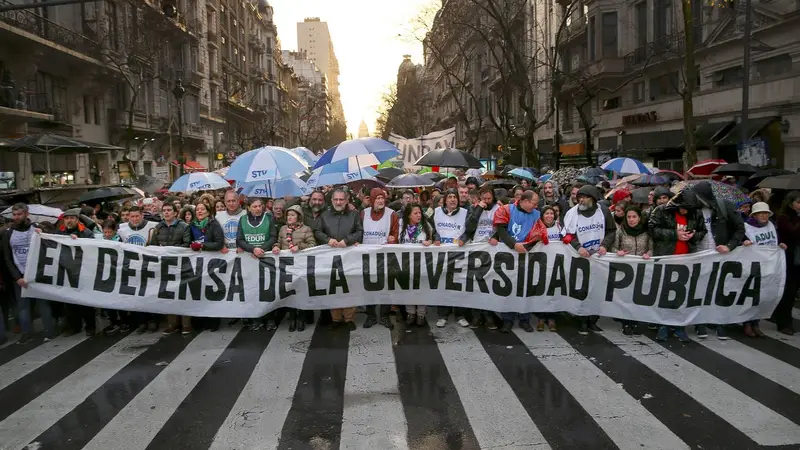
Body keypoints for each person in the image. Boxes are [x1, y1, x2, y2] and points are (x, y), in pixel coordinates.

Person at [648, 189, 708, 342]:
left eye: (688, 209)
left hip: (686, 259)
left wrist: (693, 236)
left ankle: (679, 326)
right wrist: (675, 234)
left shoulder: (696, 213)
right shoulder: (661, 211)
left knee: (682, 294)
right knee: (664, 293)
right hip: (666, 257)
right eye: (683, 208)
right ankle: (663, 325)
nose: (685, 211)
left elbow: (702, 231)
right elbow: (653, 230)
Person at [690, 181, 746, 339]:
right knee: (699, 290)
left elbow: (740, 228)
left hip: (720, 256)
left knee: (719, 290)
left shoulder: (724, 206)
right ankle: (700, 323)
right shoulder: (693, 210)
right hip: (699, 254)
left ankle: (719, 322)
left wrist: (729, 246)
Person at [562, 185, 616, 334]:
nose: (581, 200)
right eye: (580, 197)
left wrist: (605, 245)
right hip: (581, 257)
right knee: (582, 289)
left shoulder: (603, 212)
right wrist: (578, 247)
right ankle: (582, 320)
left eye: (585, 197)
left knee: (597, 291)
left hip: (598, 257)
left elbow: (611, 231)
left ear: (592, 199)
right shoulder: (572, 213)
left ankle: (593, 320)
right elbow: (567, 234)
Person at [493, 190, 549, 333]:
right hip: (509, 255)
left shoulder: (537, 215)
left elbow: (540, 234)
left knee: (526, 288)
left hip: (527, 256)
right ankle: (508, 319)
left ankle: (525, 319)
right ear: (524, 201)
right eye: (534, 203)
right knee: (508, 288)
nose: (536, 206)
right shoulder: (506, 210)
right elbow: (501, 231)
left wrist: (527, 246)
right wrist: (514, 245)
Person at [1, 203, 55, 344]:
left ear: (26, 214)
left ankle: (49, 331)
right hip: (20, 276)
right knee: (23, 307)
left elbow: (49, 247)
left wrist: (42, 234)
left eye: (19, 214)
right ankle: (26, 333)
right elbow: (7, 257)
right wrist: (17, 277)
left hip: (38, 274)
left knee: (43, 304)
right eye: (14, 215)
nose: (16, 217)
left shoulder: (37, 229)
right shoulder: (8, 233)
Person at [313, 187, 363, 330]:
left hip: (349, 256)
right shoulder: (324, 215)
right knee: (333, 286)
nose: (338, 202)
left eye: (341, 199)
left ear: (347, 200)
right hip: (331, 257)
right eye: (336, 199)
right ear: (331, 200)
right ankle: (336, 318)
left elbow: (360, 231)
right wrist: (327, 240)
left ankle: (349, 318)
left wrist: (347, 241)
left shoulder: (354, 214)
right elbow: (317, 231)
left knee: (350, 286)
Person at [599, 205, 652, 336]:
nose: (631, 220)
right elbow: (613, 248)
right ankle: (626, 322)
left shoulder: (646, 232)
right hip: (625, 269)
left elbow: (652, 247)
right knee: (626, 296)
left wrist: (648, 254)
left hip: (641, 269)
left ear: (639, 218)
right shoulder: (621, 231)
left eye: (634, 217)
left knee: (638, 296)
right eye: (628, 217)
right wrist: (618, 252)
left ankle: (636, 321)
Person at [743, 202, 786, 337]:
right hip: (753, 267)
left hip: (768, 266)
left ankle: (756, 323)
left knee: (762, 296)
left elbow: (775, 240)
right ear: (754, 215)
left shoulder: (771, 226)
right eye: (761, 213)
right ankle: (747, 323)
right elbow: (739, 242)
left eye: (766, 213)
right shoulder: (746, 227)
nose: (764, 216)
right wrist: (744, 243)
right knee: (751, 296)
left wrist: (780, 245)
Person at [272, 205, 317, 331]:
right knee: (290, 292)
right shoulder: (283, 229)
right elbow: (279, 241)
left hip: (301, 265)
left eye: (292, 215)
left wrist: (300, 246)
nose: (289, 217)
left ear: (299, 216)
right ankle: (292, 318)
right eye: (288, 215)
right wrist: (276, 246)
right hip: (286, 266)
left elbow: (313, 244)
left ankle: (301, 318)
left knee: (301, 291)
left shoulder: (306, 229)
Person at [433, 188, 473, 327]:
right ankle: (443, 315)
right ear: (445, 200)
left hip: (458, 254)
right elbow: (432, 229)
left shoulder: (465, 213)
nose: (452, 199)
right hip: (442, 254)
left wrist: (464, 239)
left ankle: (459, 315)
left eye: (454, 197)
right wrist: (436, 238)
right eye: (449, 197)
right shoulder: (437, 212)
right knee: (442, 284)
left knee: (458, 284)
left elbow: (470, 230)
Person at [236, 197, 277, 330]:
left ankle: (270, 318)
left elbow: (273, 237)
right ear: (248, 208)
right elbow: (239, 239)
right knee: (252, 289)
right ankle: (256, 318)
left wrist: (262, 249)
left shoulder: (269, 218)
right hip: (250, 259)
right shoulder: (243, 219)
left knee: (267, 289)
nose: (258, 209)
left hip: (266, 258)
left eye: (260, 206)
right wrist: (252, 249)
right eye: (255, 206)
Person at [360, 188, 399, 328]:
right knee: (368, 286)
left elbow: (395, 233)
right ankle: (371, 315)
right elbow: (358, 231)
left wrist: (393, 239)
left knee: (386, 286)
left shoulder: (391, 214)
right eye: (378, 198)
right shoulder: (363, 213)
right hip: (367, 256)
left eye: (383, 198)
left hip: (385, 257)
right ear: (372, 200)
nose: (381, 201)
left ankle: (384, 315)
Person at [151, 203, 192, 335]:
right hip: (165, 266)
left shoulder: (184, 226)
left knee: (182, 294)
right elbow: (152, 245)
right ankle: (172, 324)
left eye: (169, 210)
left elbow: (187, 244)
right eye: (164, 210)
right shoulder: (158, 227)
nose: (166, 212)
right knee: (168, 294)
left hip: (181, 265)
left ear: (175, 213)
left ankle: (186, 324)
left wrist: (169, 249)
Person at [55, 208, 96, 337]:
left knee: (85, 301)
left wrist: (78, 240)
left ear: (77, 220)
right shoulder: (59, 233)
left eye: (72, 218)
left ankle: (90, 326)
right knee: (70, 302)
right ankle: (74, 326)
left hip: (83, 271)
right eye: (67, 218)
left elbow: (92, 248)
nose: (69, 221)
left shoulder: (86, 232)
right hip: (67, 272)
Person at [398, 203, 437, 327]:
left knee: (422, 288)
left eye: (420, 213)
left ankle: (421, 313)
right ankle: (410, 313)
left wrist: (430, 242)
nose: (419, 215)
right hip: (405, 264)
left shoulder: (426, 226)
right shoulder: (401, 225)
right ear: (409, 215)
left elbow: (434, 239)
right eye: (415, 213)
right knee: (408, 288)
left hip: (422, 264)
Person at [775, 191, 800, 335]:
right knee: (788, 291)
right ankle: (784, 322)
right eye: (798, 202)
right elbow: (792, 232)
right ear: (790, 204)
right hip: (788, 259)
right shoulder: (783, 218)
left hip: (797, 258)